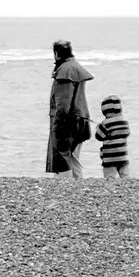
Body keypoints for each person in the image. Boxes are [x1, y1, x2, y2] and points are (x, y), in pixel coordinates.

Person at [46, 40, 93, 178]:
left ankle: (68, 187)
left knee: (64, 158)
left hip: (68, 122)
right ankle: (76, 189)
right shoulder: (74, 66)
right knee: (73, 158)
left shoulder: (65, 70)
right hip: (79, 120)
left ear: (56, 53)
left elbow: (63, 105)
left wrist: (57, 127)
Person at [95, 95, 132, 178]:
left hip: (110, 157)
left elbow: (99, 136)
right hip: (122, 156)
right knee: (125, 175)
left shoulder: (105, 124)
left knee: (110, 177)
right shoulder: (124, 122)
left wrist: (98, 127)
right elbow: (127, 132)